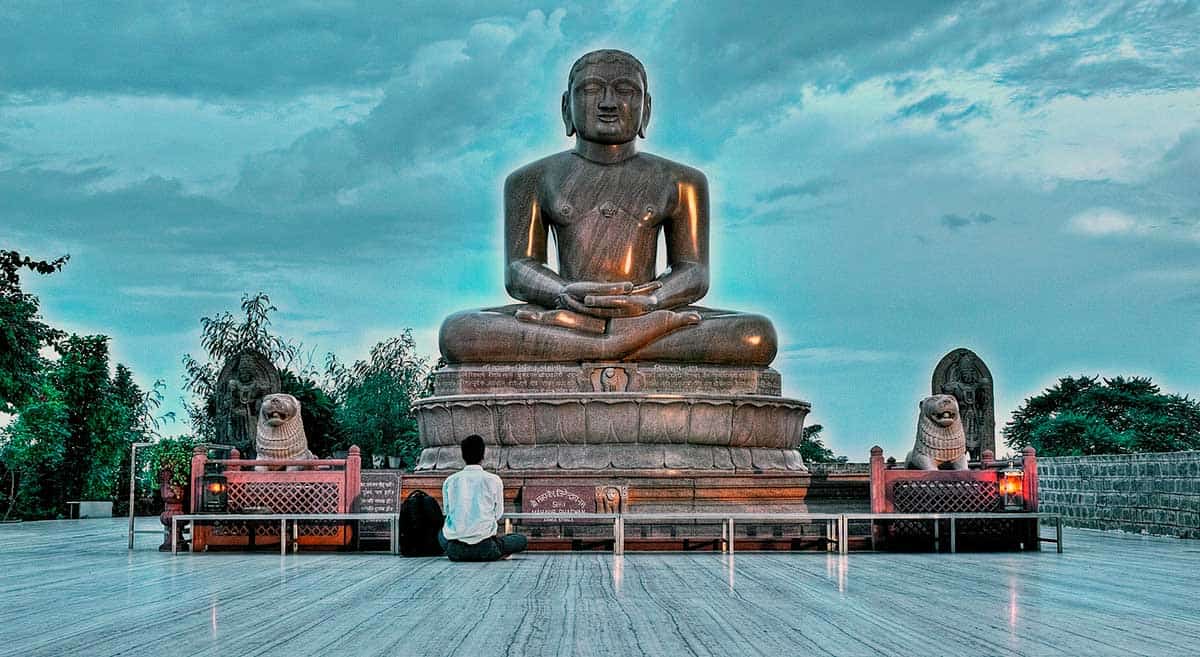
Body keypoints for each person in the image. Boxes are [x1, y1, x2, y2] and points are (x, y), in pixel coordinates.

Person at [437, 49, 777, 366]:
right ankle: (610, 346)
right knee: (460, 331)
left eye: (625, 90)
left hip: (643, 311)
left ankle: (602, 342)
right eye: (591, 90)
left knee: (755, 335)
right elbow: (520, 268)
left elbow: (694, 272)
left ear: (646, 109)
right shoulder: (532, 179)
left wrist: (652, 301)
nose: (608, 103)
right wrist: (562, 293)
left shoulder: (681, 181)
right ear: (566, 107)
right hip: (567, 312)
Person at [439, 435, 527, 561]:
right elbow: (498, 514)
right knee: (520, 540)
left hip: (455, 550)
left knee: (440, 534)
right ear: (483, 455)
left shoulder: (450, 481)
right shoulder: (493, 480)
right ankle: (498, 551)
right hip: (486, 547)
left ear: (463, 456)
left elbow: (447, 512)